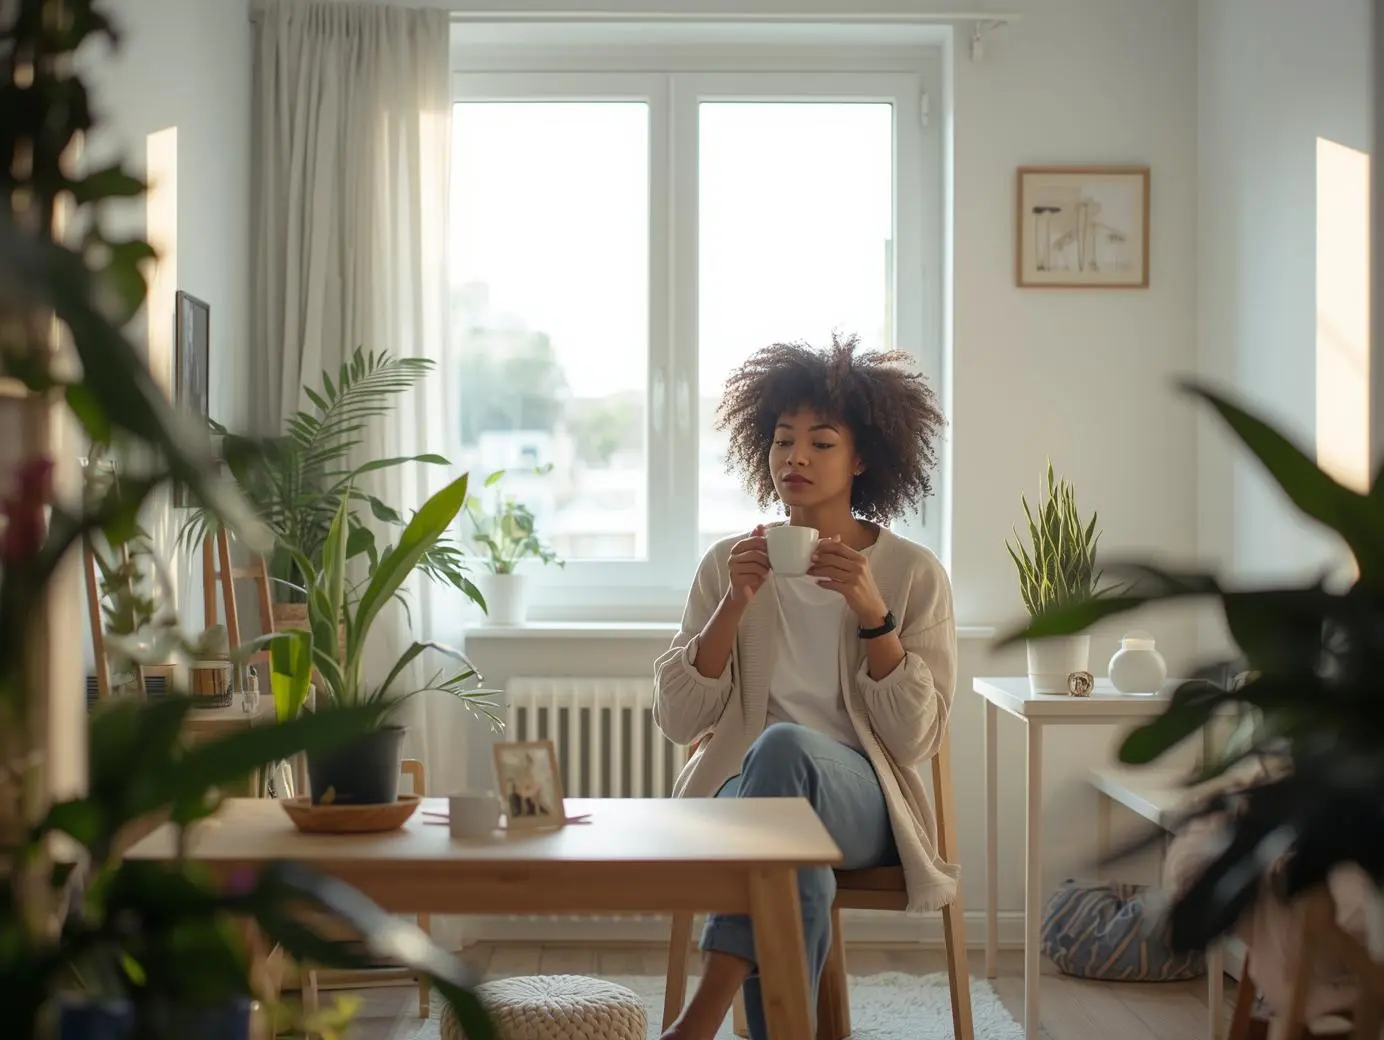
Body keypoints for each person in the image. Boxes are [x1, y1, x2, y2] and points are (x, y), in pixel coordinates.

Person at [653, 333, 959, 1040]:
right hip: (742, 796)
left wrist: (873, 614)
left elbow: (915, 738)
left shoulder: (911, 574)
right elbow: (679, 719)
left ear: (862, 459)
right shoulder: (728, 565)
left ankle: (702, 1016)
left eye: (821, 443)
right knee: (799, 872)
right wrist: (733, 605)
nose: (796, 457)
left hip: (862, 802)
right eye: (783, 440)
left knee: (786, 747)